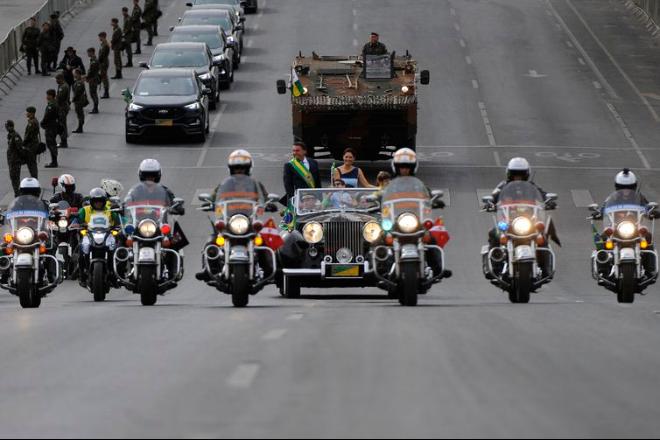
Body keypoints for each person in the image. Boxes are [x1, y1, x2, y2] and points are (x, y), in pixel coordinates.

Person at [197, 150, 272, 282]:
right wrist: (209, 203)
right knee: (212, 241)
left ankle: (270, 270)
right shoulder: (224, 184)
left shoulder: (255, 184)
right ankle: (208, 269)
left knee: (264, 242)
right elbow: (214, 198)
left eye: (242, 169)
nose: (239, 171)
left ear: (248, 169)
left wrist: (269, 203)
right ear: (231, 169)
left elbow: (264, 198)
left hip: (249, 221)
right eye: (236, 169)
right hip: (228, 220)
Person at [77, 187, 121, 287]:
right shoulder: (85, 210)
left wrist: (121, 224)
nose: (98, 203)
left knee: (116, 249)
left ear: (104, 201)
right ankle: (82, 274)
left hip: (107, 234)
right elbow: (76, 219)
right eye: (96, 201)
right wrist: (76, 223)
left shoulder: (110, 209)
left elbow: (120, 220)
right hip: (89, 234)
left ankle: (115, 274)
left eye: (101, 201)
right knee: (81, 249)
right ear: (92, 202)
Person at [6, 120, 27, 197]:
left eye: (7, 126)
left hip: (15, 161)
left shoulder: (15, 136)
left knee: (15, 177)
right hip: (11, 161)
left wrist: (22, 159)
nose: (6, 128)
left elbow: (20, 148)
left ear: (11, 126)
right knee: (13, 177)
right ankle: (16, 192)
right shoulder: (10, 135)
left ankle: (17, 193)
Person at [41, 89, 60, 168]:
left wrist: (42, 122)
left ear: (51, 96)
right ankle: (54, 161)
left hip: (50, 127)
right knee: (52, 143)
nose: (47, 97)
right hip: (53, 125)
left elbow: (47, 116)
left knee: (51, 144)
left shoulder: (51, 105)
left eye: (48, 95)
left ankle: (54, 162)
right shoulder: (55, 103)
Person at [22, 107, 40, 180]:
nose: (27, 113)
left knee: (31, 163)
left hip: (31, 146)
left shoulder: (32, 123)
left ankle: (34, 179)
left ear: (32, 113)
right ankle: (34, 178)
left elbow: (28, 136)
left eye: (28, 112)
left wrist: (22, 144)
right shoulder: (33, 121)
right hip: (33, 144)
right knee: (32, 162)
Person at [71, 69, 89, 134]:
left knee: (80, 114)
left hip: (79, 100)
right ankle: (80, 127)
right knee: (79, 113)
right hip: (78, 100)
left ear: (78, 74)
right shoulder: (78, 81)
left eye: (75, 73)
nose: (74, 74)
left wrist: (73, 99)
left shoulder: (79, 83)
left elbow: (77, 92)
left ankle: (80, 127)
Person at [55, 73, 70, 148]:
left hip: (62, 108)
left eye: (57, 79)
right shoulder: (62, 85)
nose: (56, 81)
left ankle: (64, 142)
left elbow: (60, 98)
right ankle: (63, 141)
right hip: (62, 107)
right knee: (62, 124)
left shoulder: (63, 87)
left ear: (61, 79)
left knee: (62, 125)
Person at [86, 48, 100, 114]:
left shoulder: (94, 61)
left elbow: (92, 71)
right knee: (93, 94)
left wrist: (87, 77)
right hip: (93, 78)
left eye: (88, 52)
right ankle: (95, 107)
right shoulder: (93, 60)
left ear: (92, 52)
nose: (88, 54)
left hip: (93, 79)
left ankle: (95, 108)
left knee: (93, 94)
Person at [97, 33, 111, 99]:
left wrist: (98, 61)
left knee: (104, 78)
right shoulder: (103, 44)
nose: (99, 38)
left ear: (103, 37)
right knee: (104, 77)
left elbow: (102, 55)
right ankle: (106, 92)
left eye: (100, 37)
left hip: (103, 63)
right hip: (103, 62)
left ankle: (106, 92)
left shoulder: (105, 45)